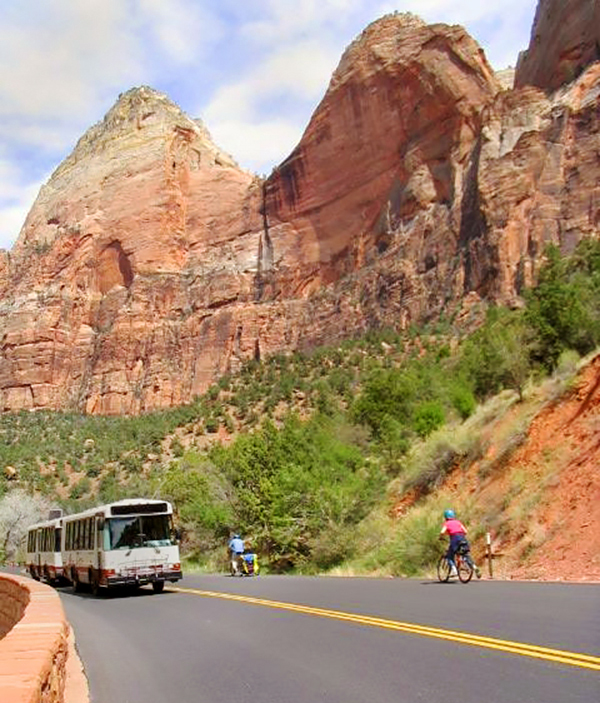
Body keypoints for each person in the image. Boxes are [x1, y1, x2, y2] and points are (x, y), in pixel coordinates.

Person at [439, 509, 481, 578]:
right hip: (462, 538)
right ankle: (474, 567)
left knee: (449, 556)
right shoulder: (458, 522)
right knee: (465, 554)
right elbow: (465, 531)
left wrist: (441, 536)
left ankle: (454, 570)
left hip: (454, 539)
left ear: (446, 517)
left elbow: (442, 532)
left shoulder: (447, 523)